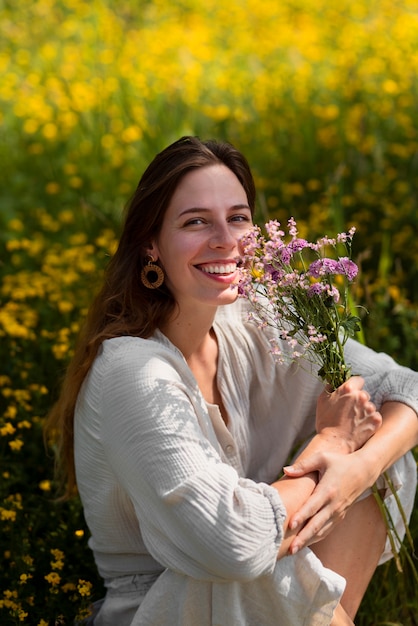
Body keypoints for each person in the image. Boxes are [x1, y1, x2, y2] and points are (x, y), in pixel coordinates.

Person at [46, 136, 418, 626]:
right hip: (167, 608)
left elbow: (404, 386)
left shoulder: (254, 318)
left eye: (238, 217)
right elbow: (234, 545)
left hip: (253, 591)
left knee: (385, 454)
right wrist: (331, 441)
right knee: (258, 558)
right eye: (195, 221)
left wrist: (359, 468)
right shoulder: (132, 372)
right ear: (150, 244)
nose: (225, 239)